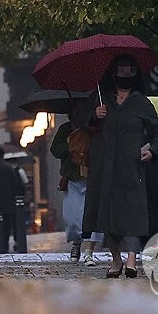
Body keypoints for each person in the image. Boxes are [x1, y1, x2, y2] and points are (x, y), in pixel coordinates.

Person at [82, 55, 158, 279]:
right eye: (121, 73)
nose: (124, 77)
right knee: (107, 213)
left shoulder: (141, 103)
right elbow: (81, 123)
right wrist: (94, 115)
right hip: (103, 167)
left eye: (129, 73)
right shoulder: (100, 100)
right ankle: (116, 259)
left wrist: (153, 150)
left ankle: (131, 260)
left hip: (131, 167)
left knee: (132, 212)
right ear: (112, 75)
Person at [49, 103, 104, 264]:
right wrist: (70, 142)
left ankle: (89, 252)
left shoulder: (97, 129)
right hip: (73, 178)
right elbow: (55, 150)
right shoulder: (66, 129)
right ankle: (77, 243)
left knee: (92, 216)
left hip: (93, 177)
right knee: (72, 218)